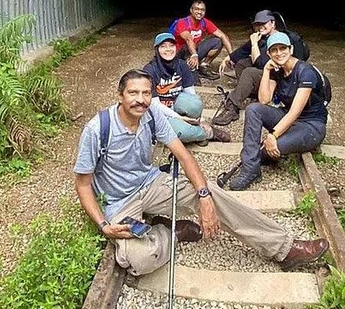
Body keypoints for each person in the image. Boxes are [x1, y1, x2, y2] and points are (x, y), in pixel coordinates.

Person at [73, 69, 329, 276]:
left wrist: (204, 195)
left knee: (212, 195)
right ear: (120, 96)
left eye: (145, 93)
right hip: (120, 201)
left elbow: (184, 155)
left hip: (150, 184)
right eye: (133, 93)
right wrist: (103, 225)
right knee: (138, 259)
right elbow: (83, 185)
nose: (140, 99)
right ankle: (171, 232)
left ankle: (283, 248)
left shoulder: (151, 115)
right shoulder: (98, 129)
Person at [225, 32, 329, 190]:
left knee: (271, 148)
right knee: (253, 109)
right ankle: (251, 169)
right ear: (269, 53)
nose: (279, 53)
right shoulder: (276, 69)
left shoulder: (305, 71)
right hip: (289, 120)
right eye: (274, 50)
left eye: (283, 48)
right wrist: (266, 70)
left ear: (291, 49)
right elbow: (264, 100)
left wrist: (273, 136)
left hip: (310, 125)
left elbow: (295, 111)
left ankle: (257, 155)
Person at [212, 10, 310, 126]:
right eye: (257, 24)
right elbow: (243, 50)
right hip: (269, 73)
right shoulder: (262, 37)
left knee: (249, 72)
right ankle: (251, 91)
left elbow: (260, 64)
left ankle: (233, 105)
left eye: (264, 23)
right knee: (241, 64)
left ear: (273, 23)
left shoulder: (282, 38)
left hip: (281, 78)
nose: (260, 27)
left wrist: (254, 44)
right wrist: (228, 58)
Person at [143, 32, 230, 145]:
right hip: (161, 111)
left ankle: (196, 124)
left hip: (176, 102)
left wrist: (199, 117)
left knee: (195, 103)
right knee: (182, 132)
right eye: (163, 46)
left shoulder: (181, 64)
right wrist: (179, 117)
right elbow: (155, 105)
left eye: (171, 45)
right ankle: (207, 133)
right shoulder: (150, 70)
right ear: (157, 49)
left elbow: (190, 93)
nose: (168, 49)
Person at [172, 0, 234, 79]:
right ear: (191, 10)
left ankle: (203, 66)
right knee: (190, 77)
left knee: (218, 41)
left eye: (202, 10)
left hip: (193, 51)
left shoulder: (204, 22)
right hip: (179, 54)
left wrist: (232, 56)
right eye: (197, 9)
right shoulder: (182, 22)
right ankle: (186, 67)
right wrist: (194, 55)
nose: (199, 12)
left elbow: (223, 36)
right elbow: (188, 39)